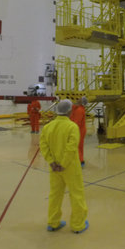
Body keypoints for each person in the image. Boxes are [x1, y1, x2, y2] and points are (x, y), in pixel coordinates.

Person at [39, 99, 89, 233]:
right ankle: (78, 225)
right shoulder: (72, 127)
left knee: (55, 194)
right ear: (69, 111)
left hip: (54, 168)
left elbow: (43, 146)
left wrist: (52, 161)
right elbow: (72, 147)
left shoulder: (48, 127)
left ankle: (53, 222)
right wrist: (63, 164)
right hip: (70, 167)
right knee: (76, 194)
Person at [70, 96, 88, 167]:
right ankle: (79, 159)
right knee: (79, 146)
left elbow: (76, 123)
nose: (77, 99)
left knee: (77, 146)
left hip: (78, 130)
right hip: (80, 130)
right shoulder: (77, 108)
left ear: (81, 102)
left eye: (79, 99)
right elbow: (72, 109)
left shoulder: (79, 110)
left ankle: (81, 161)